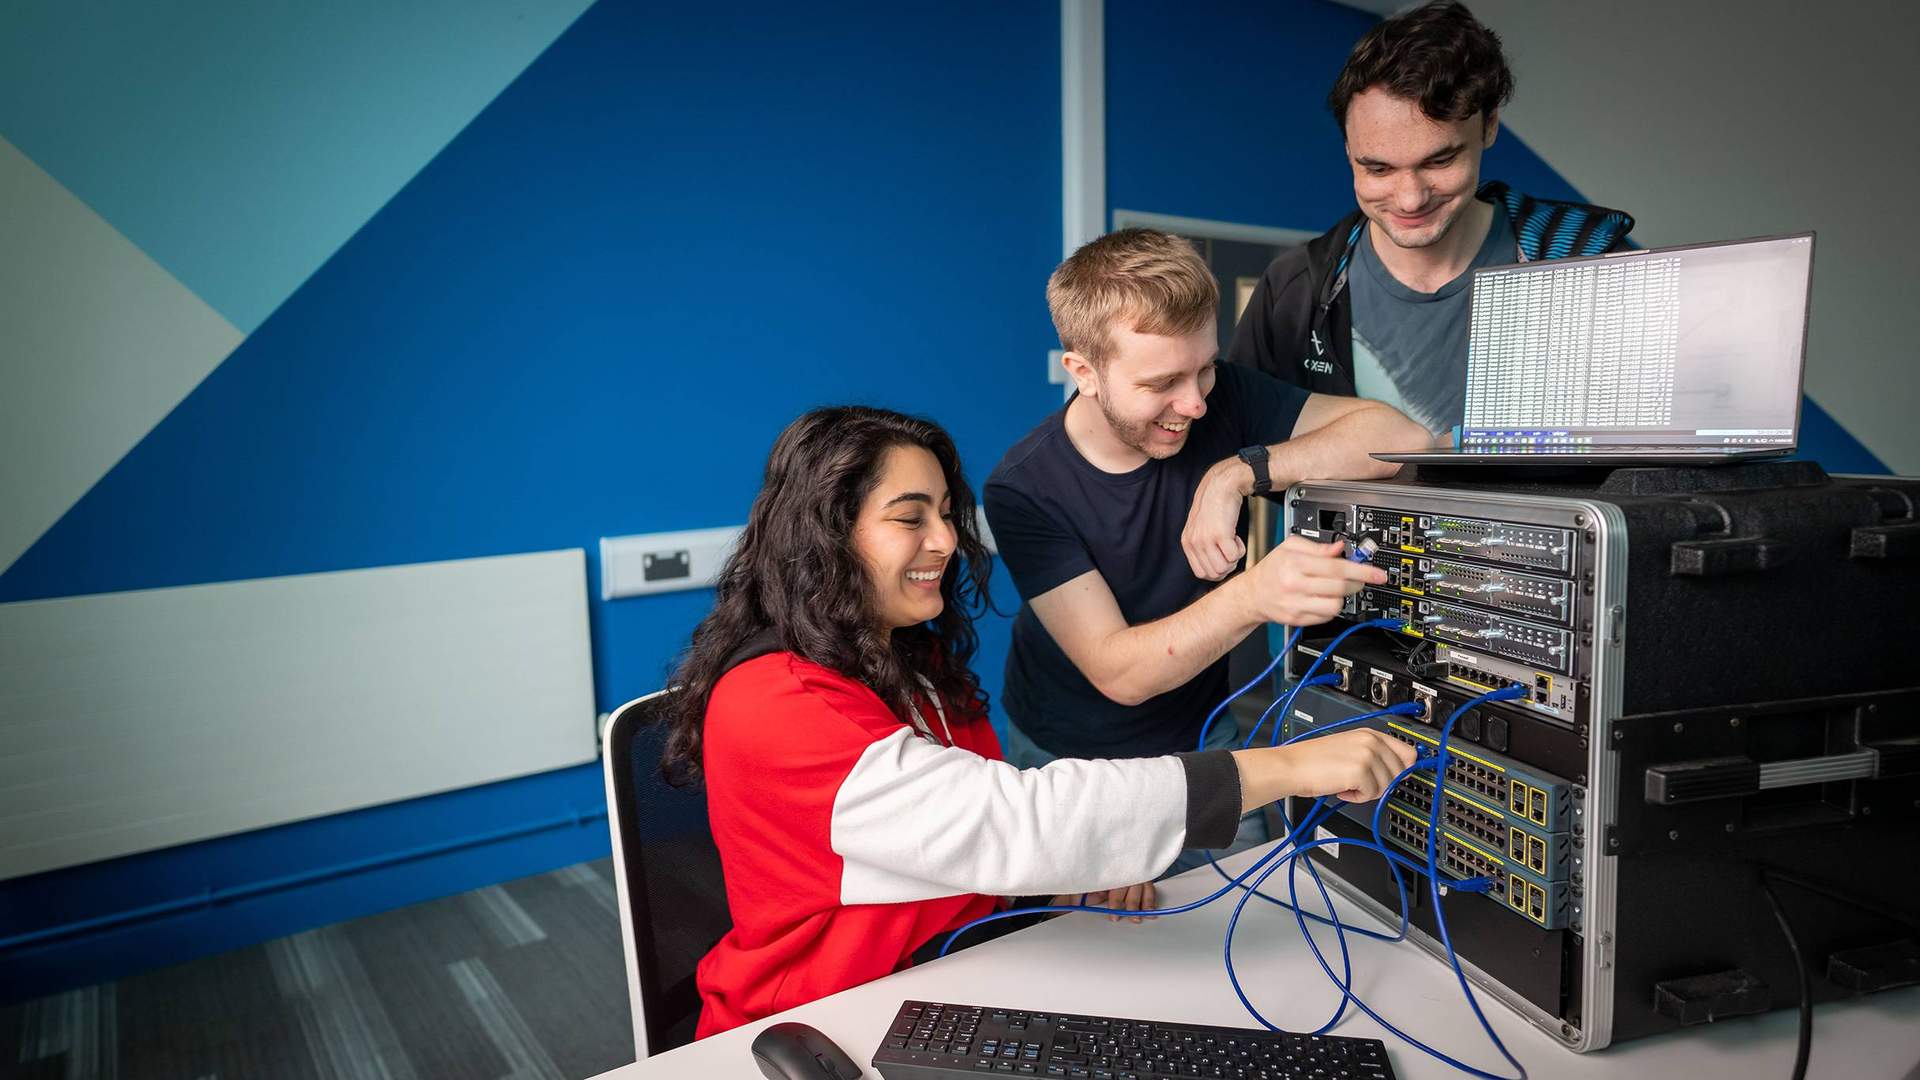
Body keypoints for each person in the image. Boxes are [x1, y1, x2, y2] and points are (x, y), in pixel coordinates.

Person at [660, 405, 1416, 1036]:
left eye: (948, 516)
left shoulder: (893, 662)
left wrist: (1054, 887)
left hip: (944, 975)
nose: (947, 542)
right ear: (827, 532)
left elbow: (946, 844)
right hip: (820, 1025)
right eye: (909, 518)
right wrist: (1288, 767)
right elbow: (1010, 821)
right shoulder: (776, 704)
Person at [983, 229, 1430, 872]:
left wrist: (1238, 473)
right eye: (1163, 381)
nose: (1193, 403)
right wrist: (1255, 594)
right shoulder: (1024, 488)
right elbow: (1120, 672)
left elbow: (1398, 436)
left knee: (1246, 906)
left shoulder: (1222, 401)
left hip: (1201, 738)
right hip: (1067, 760)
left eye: (1205, 368)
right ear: (1083, 371)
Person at [1228, 0, 1635, 438]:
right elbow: (1238, 438)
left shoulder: (1586, 262)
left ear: (1490, 125)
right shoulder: (1295, 287)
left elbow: (1642, 455)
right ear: (1348, 150)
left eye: (1439, 161)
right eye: (1378, 169)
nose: (1409, 199)